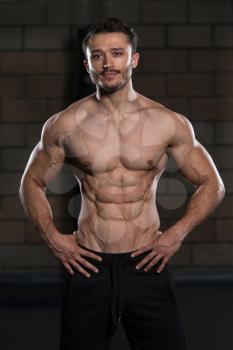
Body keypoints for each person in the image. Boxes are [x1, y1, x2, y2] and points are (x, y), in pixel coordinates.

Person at [19, 17, 225, 350]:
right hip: (88, 266)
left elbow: (212, 184)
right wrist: (53, 238)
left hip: (147, 263)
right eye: (97, 55)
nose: (107, 63)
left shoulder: (167, 123)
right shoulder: (65, 124)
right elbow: (31, 183)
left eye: (117, 53)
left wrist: (176, 234)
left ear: (134, 59)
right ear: (87, 64)